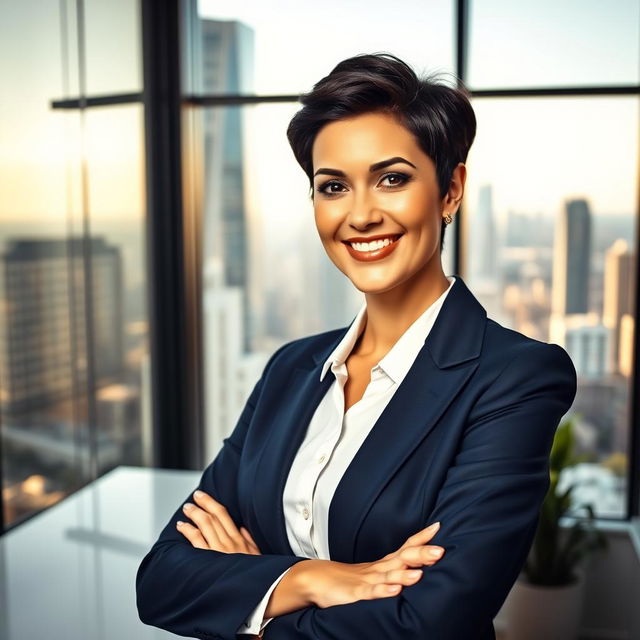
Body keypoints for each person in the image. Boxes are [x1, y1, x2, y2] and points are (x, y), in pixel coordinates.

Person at [136, 52, 577, 640]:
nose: (361, 215)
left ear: (450, 190)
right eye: (333, 186)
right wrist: (311, 578)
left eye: (392, 179)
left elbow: (429, 622)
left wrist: (252, 594)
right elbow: (161, 579)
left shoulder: (515, 379)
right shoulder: (291, 369)